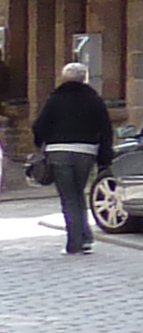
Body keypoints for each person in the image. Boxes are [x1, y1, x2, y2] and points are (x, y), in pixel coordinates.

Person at [28, 60, 110, 255]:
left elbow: (39, 126)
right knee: (78, 194)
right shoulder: (94, 99)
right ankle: (85, 238)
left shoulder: (55, 100)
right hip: (86, 152)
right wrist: (104, 157)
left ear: (63, 78)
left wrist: (41, 143)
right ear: (85, 78)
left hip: (59, 152)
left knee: (69, 198)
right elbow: (105, 129)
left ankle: (74, 243)